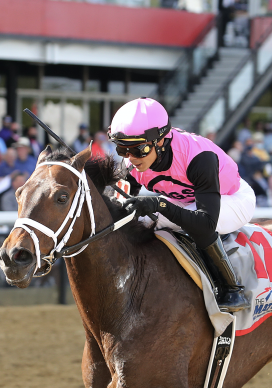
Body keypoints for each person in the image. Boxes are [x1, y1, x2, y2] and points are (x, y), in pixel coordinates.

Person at [108, 97, 255, 312]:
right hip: (186, 199)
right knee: (138, 220)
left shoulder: (200, 158)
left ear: (160, 141)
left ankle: (231, 289)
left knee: (192, 224)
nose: (131, 158)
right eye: (122, 149)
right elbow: (117, 208)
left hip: (232, 198)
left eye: (138, 150)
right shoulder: (131, 162)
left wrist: (159, 205)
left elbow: (205, 223)